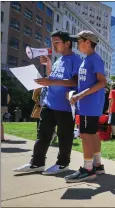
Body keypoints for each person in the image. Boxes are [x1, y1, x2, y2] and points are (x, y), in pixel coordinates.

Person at [13, 30, 82, 175]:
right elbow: (53, 77)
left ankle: (63, 164)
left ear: (67, 43)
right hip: (49, 104)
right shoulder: (59, 59)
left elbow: (75, 81)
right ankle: (36, 163)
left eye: (56, 42)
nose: (54, 46)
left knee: (64, 137)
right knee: (42, 135)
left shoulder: (76, 60)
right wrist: (48, 65)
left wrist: (50, 80)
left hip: (65, 107)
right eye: (52, 43)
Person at [64, 30, 106, 183]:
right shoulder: (86, 59)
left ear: (88, 42)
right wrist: (76, 93)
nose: (77, 44)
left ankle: (88, 169)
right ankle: (97, 165)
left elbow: (102, 82)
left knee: (86, 135)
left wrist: (80, 95)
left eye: (79, 41)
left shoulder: (94, 59)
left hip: (90, 104)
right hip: (87, 104)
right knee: (92, 134)